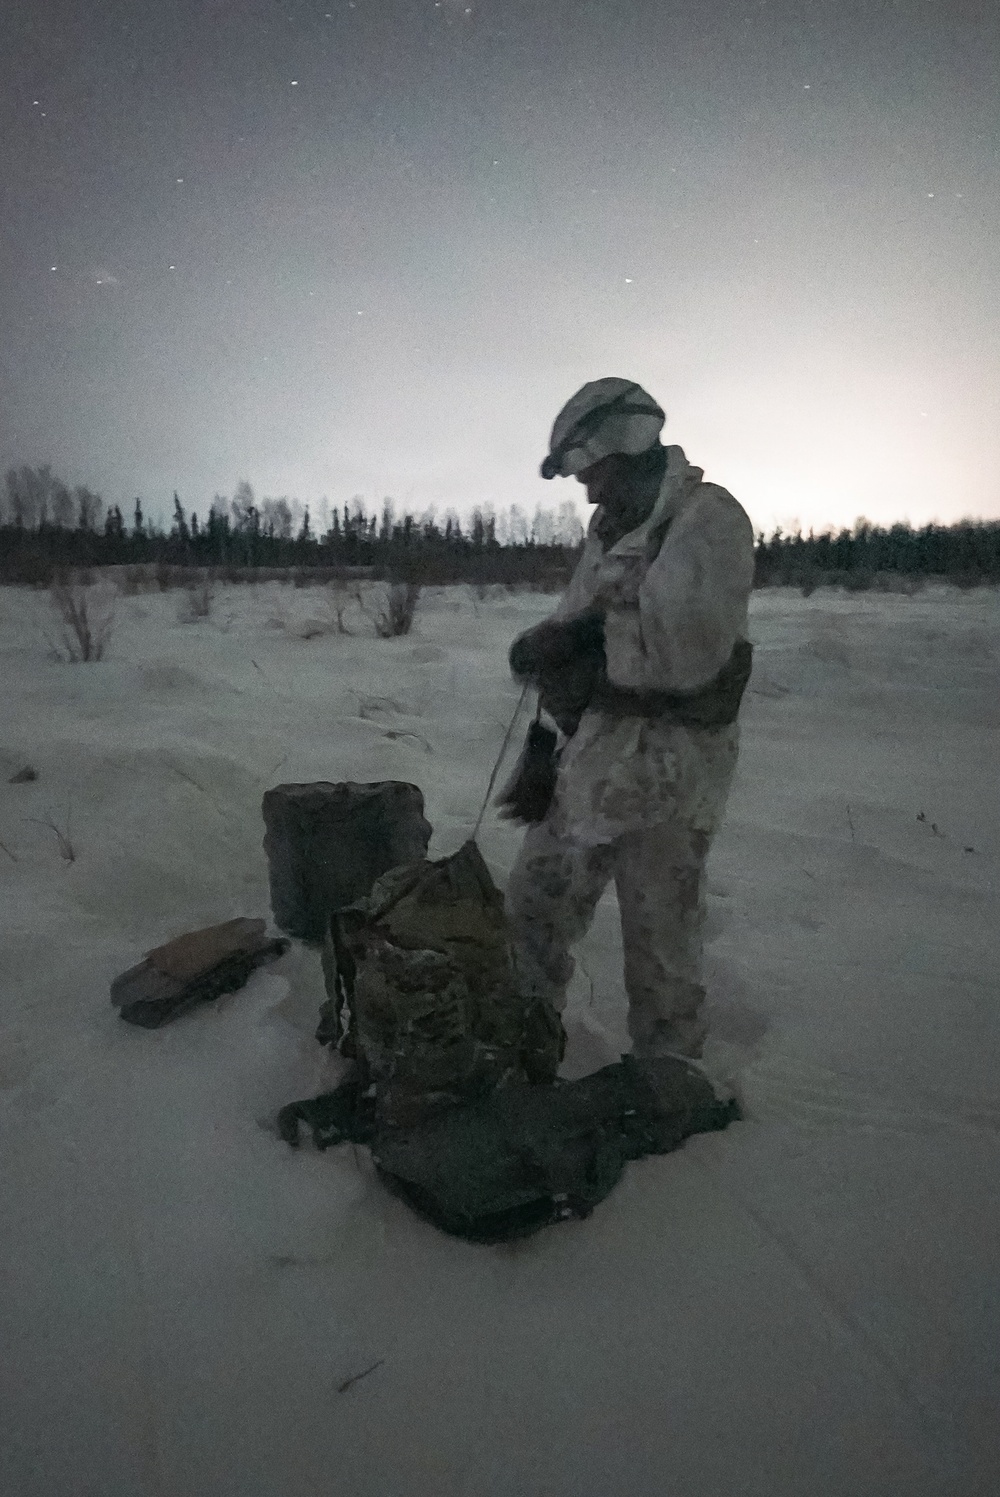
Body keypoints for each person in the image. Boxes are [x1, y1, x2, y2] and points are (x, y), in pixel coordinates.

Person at [501, 377, 756, 1063]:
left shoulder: (709, 518)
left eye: (588, 469)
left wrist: (580, 646)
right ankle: (522, 1056)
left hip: (674, 775)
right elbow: (581, 617)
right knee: (532, 911)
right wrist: (546, 665)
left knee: (661, 949)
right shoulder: (607, 530)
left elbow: (685, 655)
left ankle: (670, 1086)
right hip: (595, 762)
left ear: (622, 445)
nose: (587, 491)